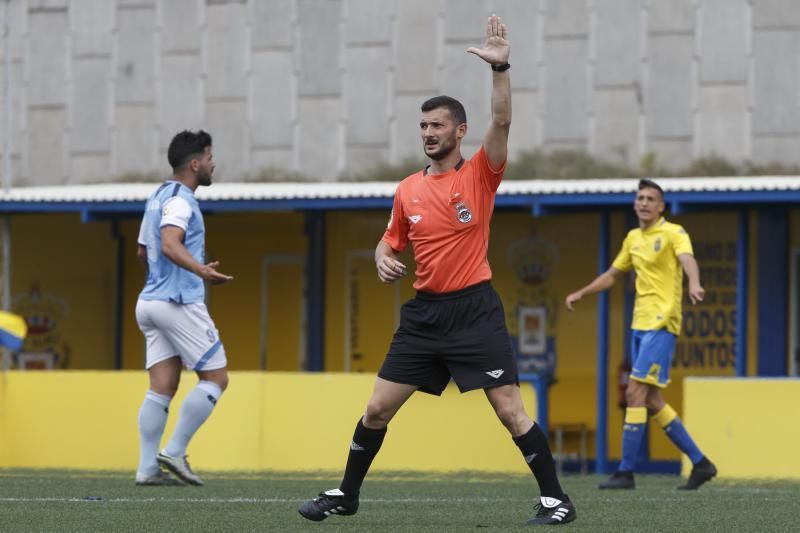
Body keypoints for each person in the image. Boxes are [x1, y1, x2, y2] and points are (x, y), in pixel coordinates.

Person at [298, 15, 576, 526]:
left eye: (438, 126)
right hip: (425, 315)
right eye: (424, 126)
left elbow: (504, 122)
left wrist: (501, 69)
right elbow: (391, 239)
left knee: (510, 412)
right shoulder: (406, 189)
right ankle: (347, 493)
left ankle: (556, 499)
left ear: (459, 131)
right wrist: (382, 254)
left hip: (474, 310)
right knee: (377, 409)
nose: (428, 134)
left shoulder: (480, 174)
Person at [565, 179, 717, 490]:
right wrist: (582, 293)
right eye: (640, 197)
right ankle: (701, 463)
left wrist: (694, 282)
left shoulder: (674, 233)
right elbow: (612, 275)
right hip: (640, 324)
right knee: (652, 400)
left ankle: (625, 472)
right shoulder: (633, 238)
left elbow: (688, 260)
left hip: (662, 323)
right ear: (635, 204)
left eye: (651, 198)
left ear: (661, 206)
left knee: (634, 394)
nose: (644, 202)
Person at [134, 130, 233, 486]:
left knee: (162, 386)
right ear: (195, 163)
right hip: (178, 301)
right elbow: (169, 242)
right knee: (216, 378)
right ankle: (174, 451)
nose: (212, 164)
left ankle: (147, 469)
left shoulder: (157, 196)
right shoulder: (181, 200)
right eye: (209, 158)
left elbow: (144, 251)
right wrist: (200, 270)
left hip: (149, 302)